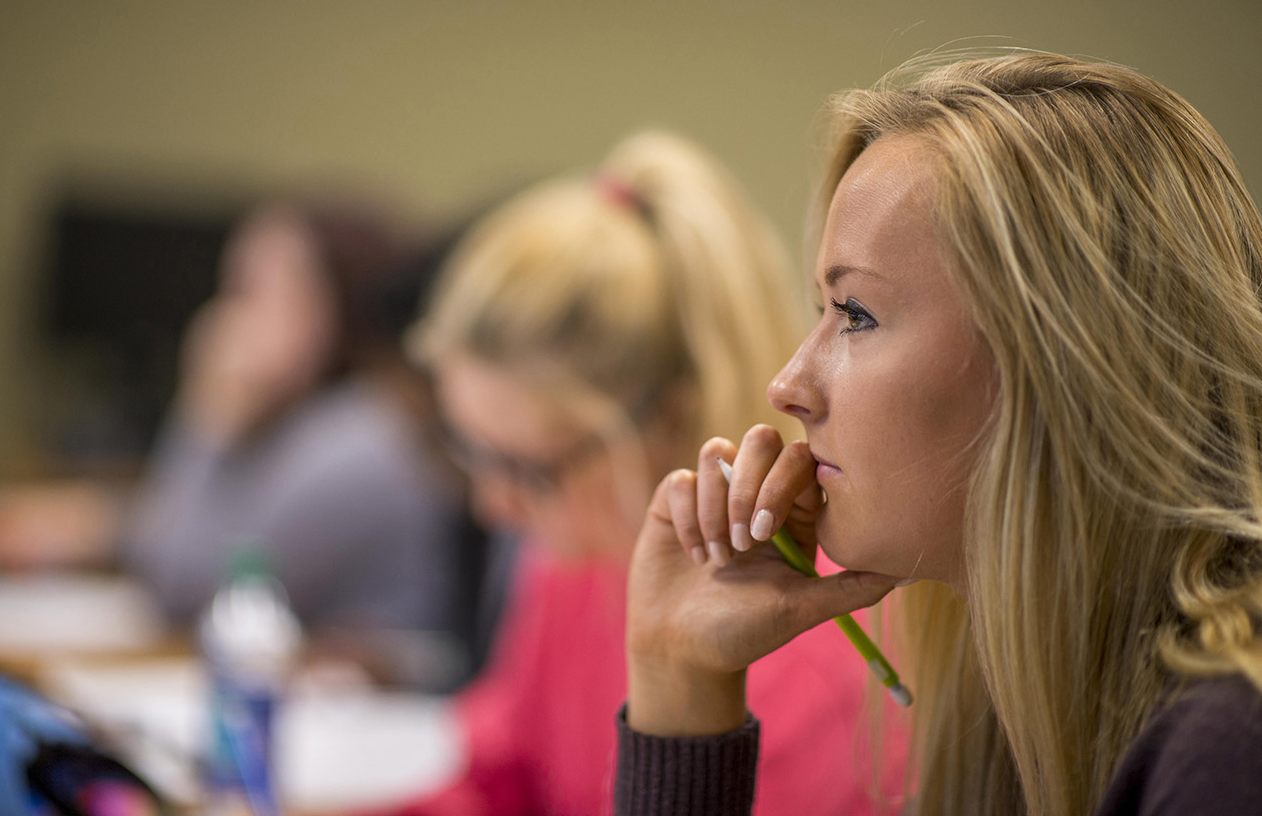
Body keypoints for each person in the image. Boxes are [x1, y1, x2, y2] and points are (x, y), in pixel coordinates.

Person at [615, 52, 1262, 816]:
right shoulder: (1020, 693)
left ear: (1060, 360)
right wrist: (679, 678)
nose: (786, 386)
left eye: (854, 313)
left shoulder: (1231, 746)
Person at [375, 131, 908, 816]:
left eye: (528, 470)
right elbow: (496, 778)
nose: (493, 505)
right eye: (469, 450)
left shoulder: (793, 637)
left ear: (669, 419)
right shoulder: (575, 563)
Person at [121, 196, 491, 690]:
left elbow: (180, 583)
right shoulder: (309, 421)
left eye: (253, 292)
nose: (224, 320)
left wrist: (203, 414)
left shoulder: (361, 436)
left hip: (381, 726)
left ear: (335, 303)